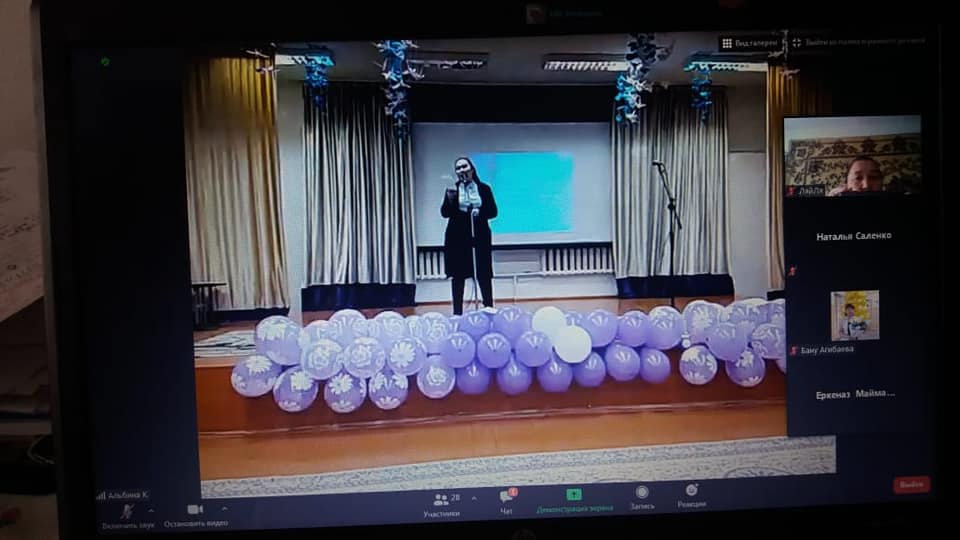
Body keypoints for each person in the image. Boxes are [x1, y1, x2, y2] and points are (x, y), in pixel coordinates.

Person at [441, 157, 498, 315]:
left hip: (479, 237)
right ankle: (457, 314)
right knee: (458, 276)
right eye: (458, 168)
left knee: (483, 274)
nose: (461, 170)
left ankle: (488, 309)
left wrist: (480, 212)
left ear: (472, 169)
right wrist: (450, 198)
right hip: (457, 238)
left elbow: (493, 211)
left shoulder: (484, 189)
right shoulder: (453, 190)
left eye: (464, 166)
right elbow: (445, 213)